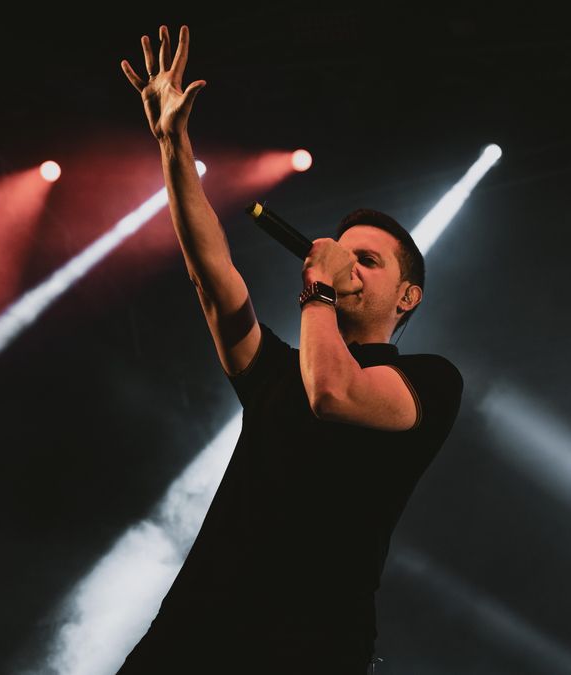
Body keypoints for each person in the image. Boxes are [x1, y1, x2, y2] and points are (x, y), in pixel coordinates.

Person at [116, 25, 463, 675]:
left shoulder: (428, 380)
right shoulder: (275, 370)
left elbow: (334, 393)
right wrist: (173, 144)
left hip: (310, 649)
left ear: (408, 295)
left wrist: (319, 287)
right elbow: (212, 276)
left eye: (369, 260)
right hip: (191, 637)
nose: (348, 266)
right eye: (342, 253)